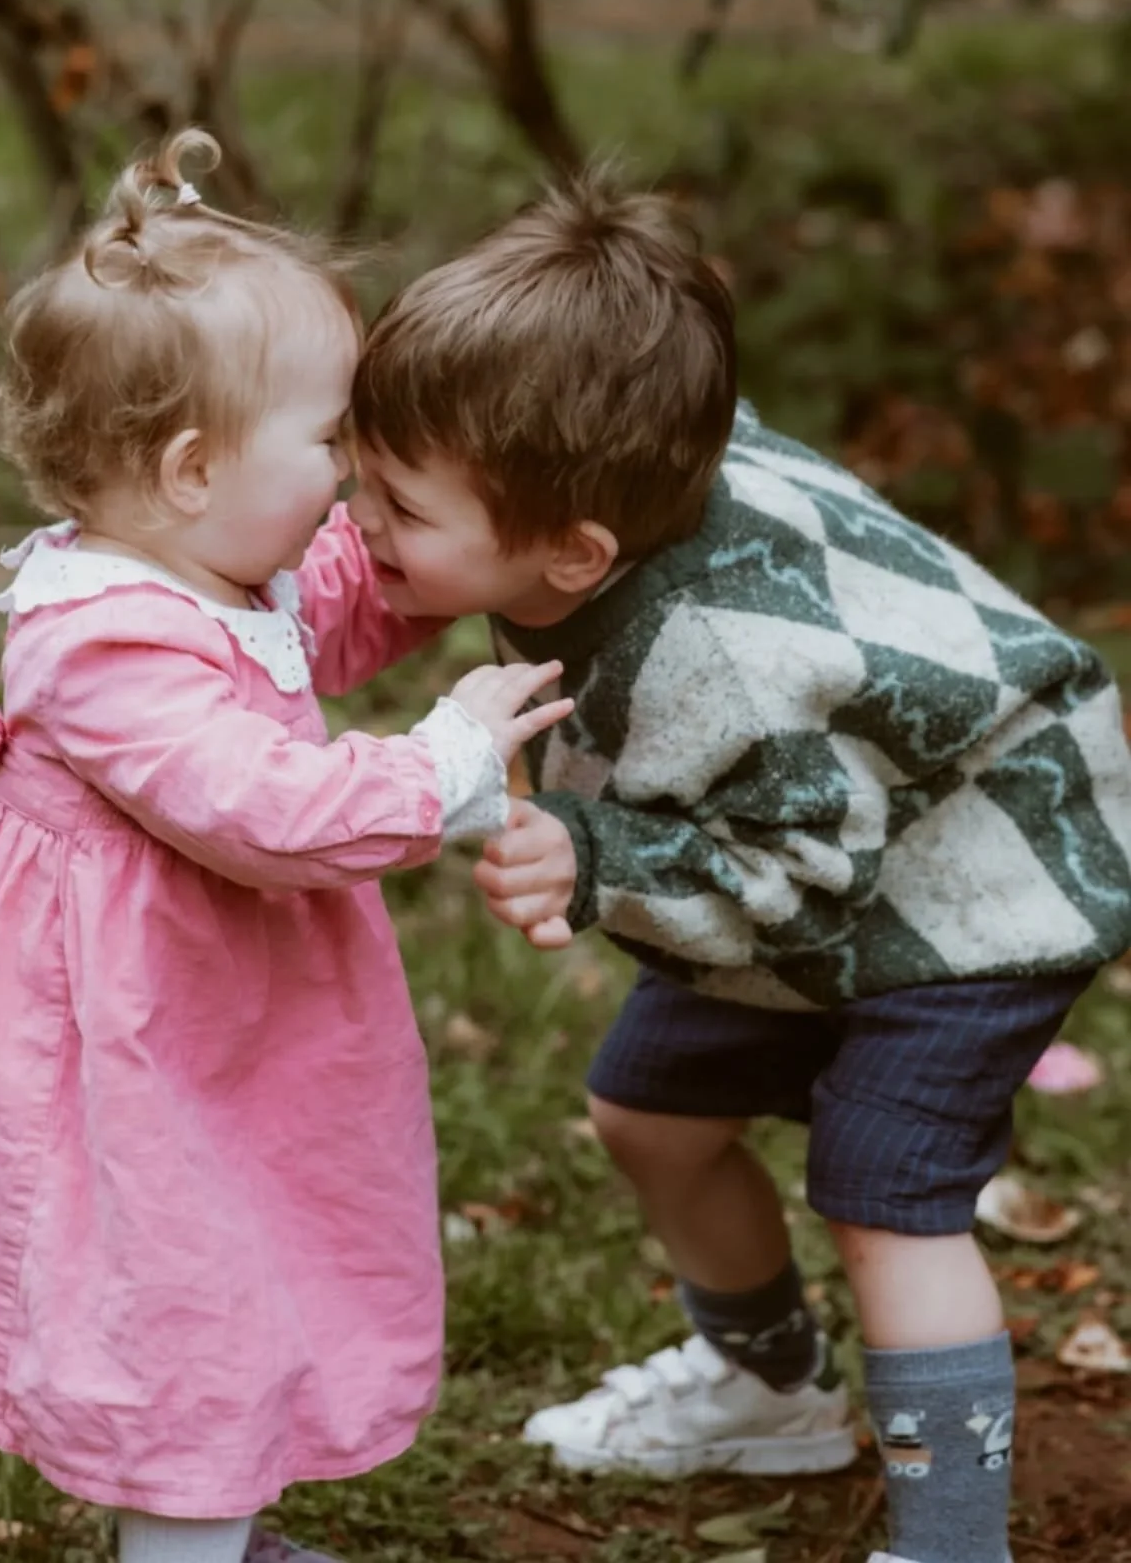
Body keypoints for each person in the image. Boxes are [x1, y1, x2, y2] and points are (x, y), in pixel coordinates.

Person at [0, 132, 573, 1563]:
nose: (352, 472)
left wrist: (457, 546)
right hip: (127, 1048)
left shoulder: (210, 567)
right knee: (175, 1290)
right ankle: (184, 1544)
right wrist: (442, 761)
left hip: (208, 1021)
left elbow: (336, 609)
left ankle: (215, 1531)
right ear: (193, 468)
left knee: (235, 1266)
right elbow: (267, 808)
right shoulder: (104, 638)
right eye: (330, 442)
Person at [346, 170, 1131, 1563]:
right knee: (647, 1112)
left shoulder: (715, 655)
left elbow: (800, 874)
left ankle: (954, 1548)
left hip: (983, 878)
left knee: (883, 1192)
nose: (362, 525)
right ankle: (771, 1391)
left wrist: (588, 856)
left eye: (396, 508)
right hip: (844, 826)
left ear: (574, 552)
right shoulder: (616, 495)